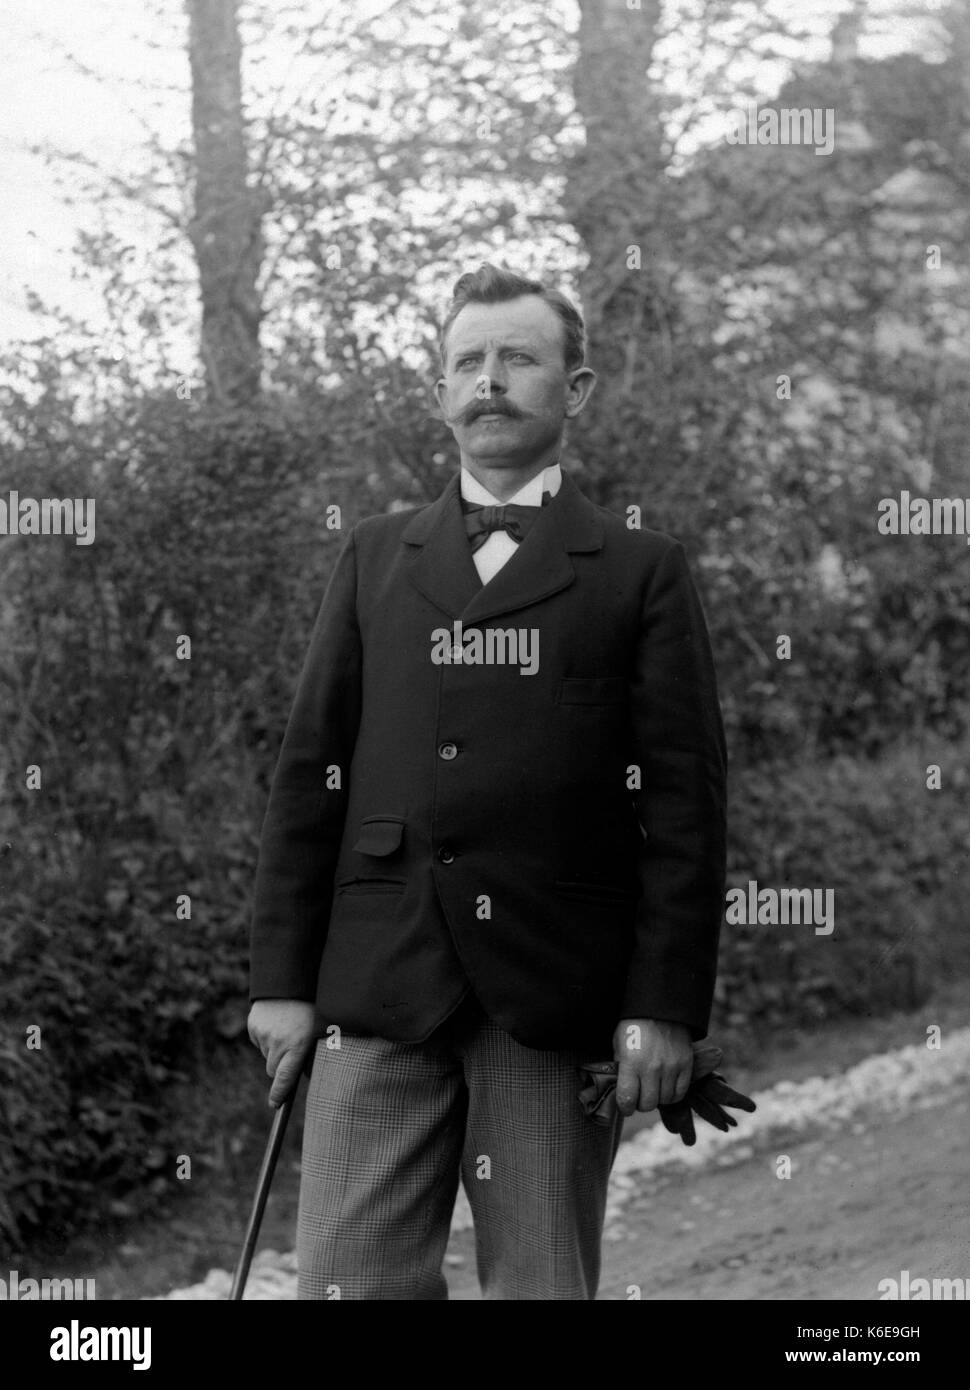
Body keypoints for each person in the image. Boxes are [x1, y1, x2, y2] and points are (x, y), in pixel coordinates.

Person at [247, 262, 727, 1301]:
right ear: (439, 391)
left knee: (541, 1285)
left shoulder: (640, 568)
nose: (490, 381)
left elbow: (684, 808)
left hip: (552, 991)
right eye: (467, 360)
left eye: (518, 358)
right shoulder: (375, 558)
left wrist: (663, 1006)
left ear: (577, 387)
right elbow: (307, 781)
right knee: (342, 1280)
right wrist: (280, 983)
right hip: (376, 984)